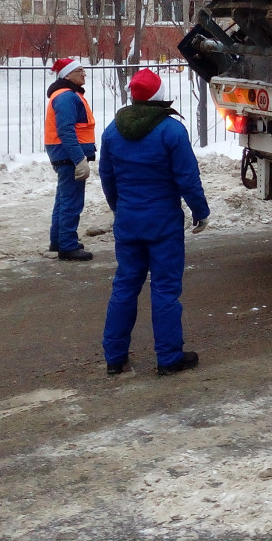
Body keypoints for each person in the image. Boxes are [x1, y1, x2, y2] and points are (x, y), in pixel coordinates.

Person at [100, 68, 210, 376]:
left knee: (124, 286)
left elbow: (107, 177)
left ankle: (115, 357)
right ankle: (168, 357)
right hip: (163, 224)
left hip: (128, 221)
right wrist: (200, 211)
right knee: (164, 289)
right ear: (160, 97)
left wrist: (120, 208)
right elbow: (187, 178)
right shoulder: (171, 132)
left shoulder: (112, 131)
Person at [45, 57, 97, 262]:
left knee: (63, 199)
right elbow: (66, 131)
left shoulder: (65, 94)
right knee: (71, 201)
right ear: (67, 75)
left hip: (63, 154)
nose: (84, 74)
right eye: (80, 71)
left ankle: (58, 240)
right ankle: (67, 245)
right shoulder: (67, 97)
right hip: (68, 156)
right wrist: (79, 159)